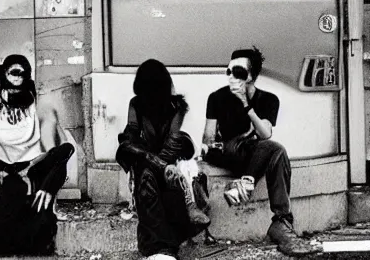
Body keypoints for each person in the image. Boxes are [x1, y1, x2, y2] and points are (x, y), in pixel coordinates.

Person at [201, 47, 318, 257]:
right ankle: (277, 217)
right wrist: (211, 141)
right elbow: (208, 138)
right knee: (273, 149)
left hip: (254, 154)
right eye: (229, 71)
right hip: (228, 151)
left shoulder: (269, 99)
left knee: (276, 151)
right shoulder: (216, 97)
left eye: (238, 73)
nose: (231, 77)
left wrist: (246, 105)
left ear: (252, 76)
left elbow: (265, 134)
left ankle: (278, 219)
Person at [0, 54, 74, 256]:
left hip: (37, 178)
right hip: (11, 183)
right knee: (1, 239)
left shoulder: (40, 110)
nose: (18, 80)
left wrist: (48, 184)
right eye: (14, 74)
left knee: (40, 236)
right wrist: (8, 168)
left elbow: (61, 152)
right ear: (3, 76)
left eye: (23, 75)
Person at [116, 59, 211, 260]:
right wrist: (158, 164)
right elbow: (132, 134)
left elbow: (173, 140)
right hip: (152, 160)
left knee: (169, 151)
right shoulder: (137, 104)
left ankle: (163, 248)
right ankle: (162, 249)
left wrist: (162, 164)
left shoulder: (177, 106)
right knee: (140, 162)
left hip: (173, 157)